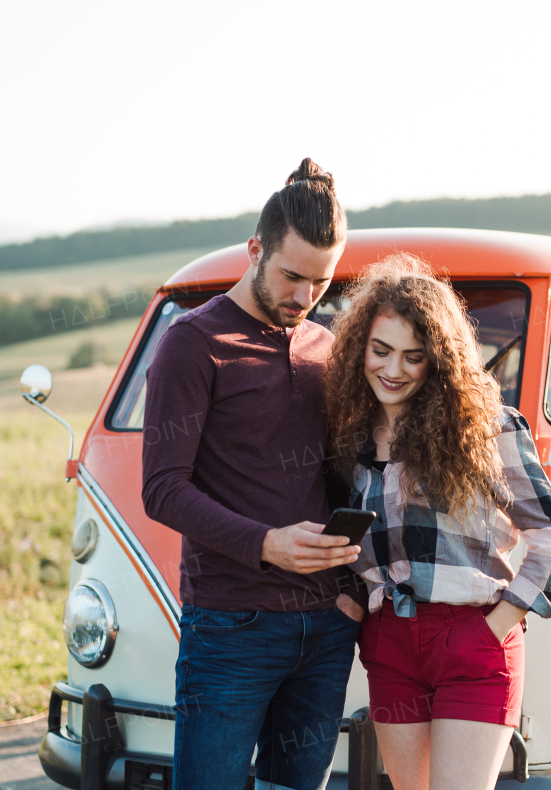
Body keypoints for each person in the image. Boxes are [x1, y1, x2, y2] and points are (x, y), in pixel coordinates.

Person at [142, 158, 366, 790]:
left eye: (321, 283)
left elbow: (341, 477)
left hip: (326, 625)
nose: (304, 297)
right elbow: (162, 490)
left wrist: (350, 595)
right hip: (231, 626)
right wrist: (267, 544)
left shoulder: (326, 347)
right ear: (254, 249)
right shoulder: (192, 343)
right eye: (292, 275)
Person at [323, 254, 551, 790]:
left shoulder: (487, 428)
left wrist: (493, 630)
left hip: (473, 636)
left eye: (413, 357)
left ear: (438, 359)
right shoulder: (350, 438)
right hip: (390, 641)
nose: (393, 370)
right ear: (358, 349)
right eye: (381, 351)